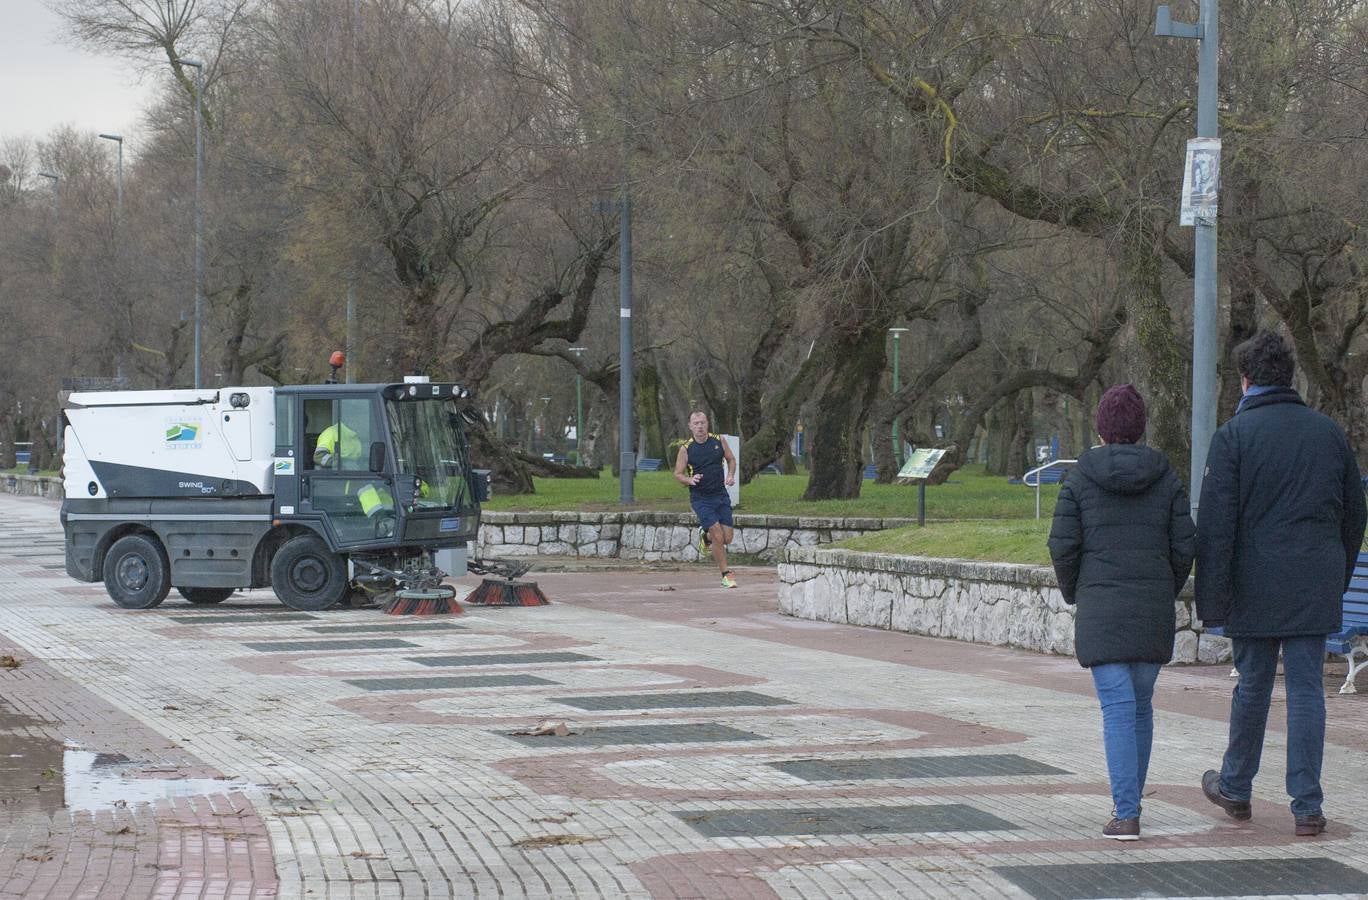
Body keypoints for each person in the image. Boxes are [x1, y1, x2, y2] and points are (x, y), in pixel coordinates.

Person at [1195, 331, 1366, 837]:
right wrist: (1335, 573)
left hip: (1253, 586)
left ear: (1246, 381)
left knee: (1252, 687)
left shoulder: (1233, 438)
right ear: (1289, 377)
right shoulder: (1327, 434)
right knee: (1308, 691)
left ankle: (1236, 787)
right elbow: (1356, 513)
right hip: (1312, 584)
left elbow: (1216, 527)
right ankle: (1307, 805)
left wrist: (1214, 602)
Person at [1048, 384, 1195, 841]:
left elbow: (1063, 545)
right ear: (1141, 426)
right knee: (1140, 706)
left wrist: (1077, 593)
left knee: (1117, 707)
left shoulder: (1078, 480)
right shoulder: (1167, 479)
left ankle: (1126, 813)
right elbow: (1185, 544)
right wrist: (1165, 587)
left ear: (1101, 427)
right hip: (1151, 608)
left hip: (1102, 608)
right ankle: (1130, 805)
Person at [674, 410, 738, 588]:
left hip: (720, 494)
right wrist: (689, 480)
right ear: (690, 426)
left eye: (702, 423)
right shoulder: (686, 449)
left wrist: (731, 475)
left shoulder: (719, 441)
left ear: (707, 423)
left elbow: (731, 460)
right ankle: (726, 575)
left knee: (727, 538)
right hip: (701, 498)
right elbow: (678, 474)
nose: (700, 426)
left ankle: (706, 536)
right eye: (696, 424)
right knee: (718, 534)